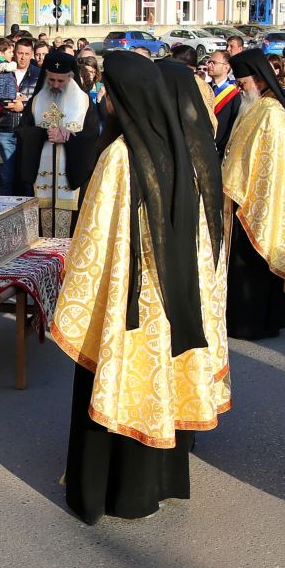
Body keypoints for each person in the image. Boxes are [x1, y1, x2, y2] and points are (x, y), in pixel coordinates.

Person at [53, 53, 227, 523]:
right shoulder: (178, 149)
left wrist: (70, 283)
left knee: (114, 388)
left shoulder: (119, 157)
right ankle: (155, 485)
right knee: (156, 392)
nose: (102, 99)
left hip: (124, 304)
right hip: (166, 304)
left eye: (107, 90)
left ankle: (104, 493)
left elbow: (91, 240)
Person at [222, 49, 285, 340]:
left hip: (259, 198)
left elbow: (269, 162)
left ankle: (254, 323)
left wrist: (235, 182)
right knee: (246, 265)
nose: (239, 87)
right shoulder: (255, 105)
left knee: (255, 263)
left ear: (259, 80)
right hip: (243, 194)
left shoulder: (271, 112)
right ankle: (246, 320)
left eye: (242, 82)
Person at [14, 49, 101, 236]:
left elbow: (92, 136)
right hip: (41, 178)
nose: (55, 85)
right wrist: (42, 134)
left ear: (70, 78)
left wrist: (70, 138)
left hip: (71, 180)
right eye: (51, 80)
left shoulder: (84, 102)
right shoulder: (36, 101)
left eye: (60, 81)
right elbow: (22, 132)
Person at [0, 38, 40, 193]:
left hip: (28, 132)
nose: (23, 57)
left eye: (26, 54)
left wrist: (24, 106)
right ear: (14, 53)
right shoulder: (0, 70)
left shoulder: (38, 75)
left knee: (27, 180)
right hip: (5, 129)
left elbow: (42, 102)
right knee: (6, 179)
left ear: (31, 54)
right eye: (19, 53)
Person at [204, 46, 240, 154]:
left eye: (214, 62)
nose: (209, 65)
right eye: (209, 62)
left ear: (226, 67)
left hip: (221, 149)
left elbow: (234, 124)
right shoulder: (204, 88)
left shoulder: (235, 92)